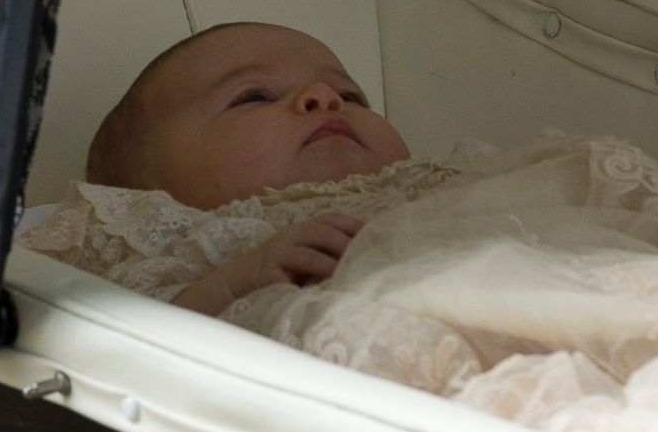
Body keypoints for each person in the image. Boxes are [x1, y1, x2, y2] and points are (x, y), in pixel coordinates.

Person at [84, 22, 412, 316]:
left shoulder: (440, 184)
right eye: (254, 97)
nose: (324, 96)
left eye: (350, 96)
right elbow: (130, 346)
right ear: (153, 205)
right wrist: (231, 287)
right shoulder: (174, 256)